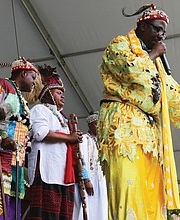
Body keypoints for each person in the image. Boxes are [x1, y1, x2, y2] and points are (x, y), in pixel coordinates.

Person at [97, 3, 180, 220]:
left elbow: (172, 94)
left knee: (150, 194)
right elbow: (130, 69)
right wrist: (153, 54)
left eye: (163, 30)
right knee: (128, 187)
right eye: (156, 28)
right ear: (142, 26)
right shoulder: (120, 44)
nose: (161, 34)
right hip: (122, 131)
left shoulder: (159, 65)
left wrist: (153, 57)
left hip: (150, 139)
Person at [28, 64, 83, 220]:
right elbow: (41, 133)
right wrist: (69, 137)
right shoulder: (40, 110)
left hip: (62, 174)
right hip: (47, 170)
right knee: (46, 215)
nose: (63, 96)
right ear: (47, 94)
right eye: (59, 92)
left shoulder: (62, 118)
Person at [0, 57, 37, 220]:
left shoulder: (21, 99)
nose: (34, 83)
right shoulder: (2, 85)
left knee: (12, 211)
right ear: (23, 73)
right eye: (33, 77)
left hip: (16, 163)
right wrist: (3, 137)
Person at [72, 111, 108, 220]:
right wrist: (86, 179)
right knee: (87, 208)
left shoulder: (103, 143)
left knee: (101, 209)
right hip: (88, 181)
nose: (98, 127)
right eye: (95, 124)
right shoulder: (84, 139)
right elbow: (80, 160)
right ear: (89, 125)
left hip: (101, 182)